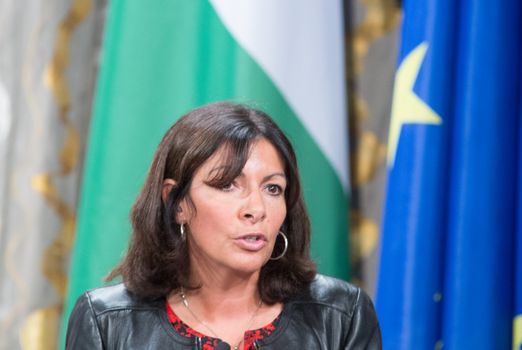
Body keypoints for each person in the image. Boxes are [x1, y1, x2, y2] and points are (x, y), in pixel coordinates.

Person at [66, 102, 381, 349]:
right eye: (228, 185)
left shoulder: (341, 314)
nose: (256, 209)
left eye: (273, 188)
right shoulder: (107, 321)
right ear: (177, 204)